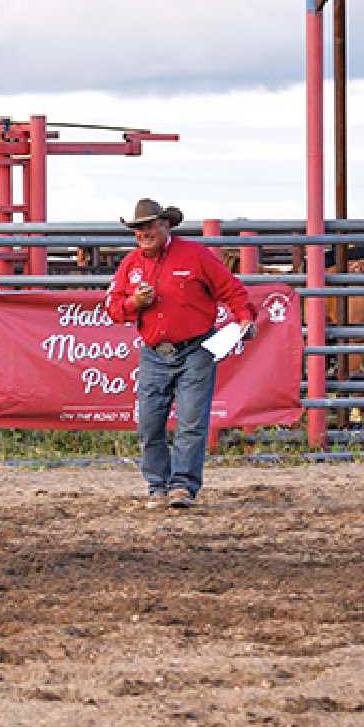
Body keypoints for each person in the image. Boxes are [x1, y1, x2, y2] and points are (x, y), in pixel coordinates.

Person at [105, 198, 254, 510]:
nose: (144, 233)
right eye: (138, 228)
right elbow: (112, 307)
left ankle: (182, 486)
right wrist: (134, 304)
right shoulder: (130, 265)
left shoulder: (195, 255)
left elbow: (230, 288)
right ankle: (158, 485)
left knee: (190, 421)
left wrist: (244, 316)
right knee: (149, 421)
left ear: (164, 226)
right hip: (154, 351)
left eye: (149, 226)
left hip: (196, 348)